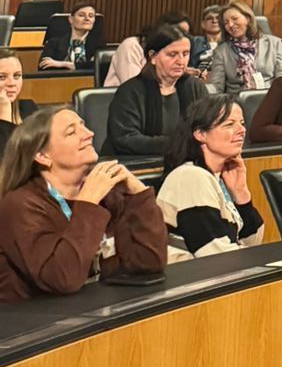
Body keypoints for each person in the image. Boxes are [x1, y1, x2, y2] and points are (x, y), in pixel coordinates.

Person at [0, 105, 167, 302]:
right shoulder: (19, 204)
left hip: (94, 311)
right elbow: (61, 278)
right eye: (71, 132)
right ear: (43, 156)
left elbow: (149, 261)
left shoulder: (107, 192)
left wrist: (139, 194)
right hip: (34, 325)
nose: (89, 134)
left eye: (84, 126)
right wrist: (88, 202)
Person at [156, 97, 263, 257]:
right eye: (229, 124)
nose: (241, 130)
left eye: (242, 123)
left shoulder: (217, 178)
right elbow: (214, 255)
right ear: (200, 134)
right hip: (190, 278)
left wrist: (241, 194)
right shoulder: (190, 177)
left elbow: (252, 243)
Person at [102, 24, 203, 162]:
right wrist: (180, 144)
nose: (181, 61)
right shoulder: (131, 91)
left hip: (184, 163)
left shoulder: (194, 86)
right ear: (153, 56)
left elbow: (208, 126)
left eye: (185, 54)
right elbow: (126, 139)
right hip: (136, 166)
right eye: (172, 54)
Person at [202, 2, 282, 99]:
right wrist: (198, 88)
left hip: (270, 99)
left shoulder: (274, 43)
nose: (230, 25)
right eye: (226, 22)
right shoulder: (222, 51)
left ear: (248, 19)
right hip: (237, 102)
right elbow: (217, 86)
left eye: (235, 19)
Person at [103, 11, 191, 90]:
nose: (180, 37)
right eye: (176, 32)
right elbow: (134, 86)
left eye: (185, 33)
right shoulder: (131, 45)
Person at [38, 1, 106, 73]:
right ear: (71, 19)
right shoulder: (53, 44)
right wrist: (83, 66)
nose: (87, 18)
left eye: (91, 16)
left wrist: (62, 64)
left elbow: (100, 68)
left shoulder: (99, 45)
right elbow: (43, 66)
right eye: (81, 15)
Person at [0, 51, 27, 162]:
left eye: (17, 76)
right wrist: (5, 114)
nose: (12, 83)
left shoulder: (28, 109)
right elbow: (7, 164)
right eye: (2, 77)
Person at [190, 4, 223, 72]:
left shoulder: (230, 44)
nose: (214, 21)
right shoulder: (194, 42)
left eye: (218, 18)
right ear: (203, 24)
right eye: (210, 18)